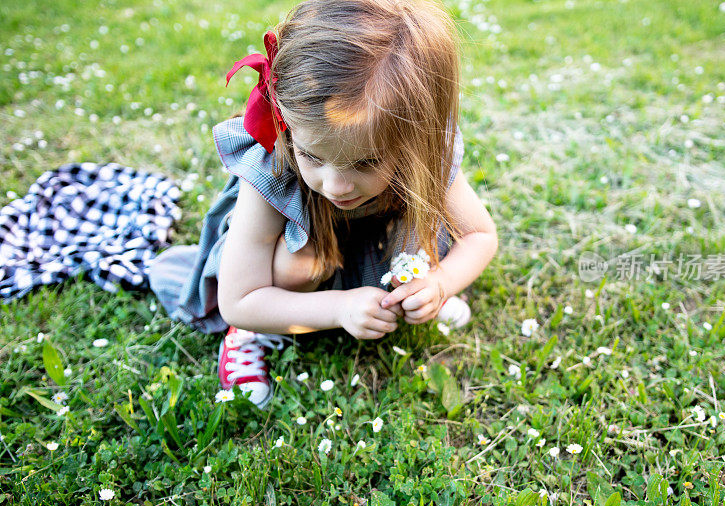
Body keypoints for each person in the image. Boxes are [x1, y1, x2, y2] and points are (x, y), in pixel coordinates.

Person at [148, 0, 498, 409]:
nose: (336, 184)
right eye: (313, 156)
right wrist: (340, 308)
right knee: (297, 263)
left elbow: (479, 235)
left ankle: (403, 286)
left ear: (412, 140)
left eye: (365, 161)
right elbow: (238, 299)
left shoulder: (422, 152)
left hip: (374, 246)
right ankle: (250, 335)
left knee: (423, 230)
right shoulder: (272, 166)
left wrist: (440, 283)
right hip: (293, 270)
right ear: (288, 125)